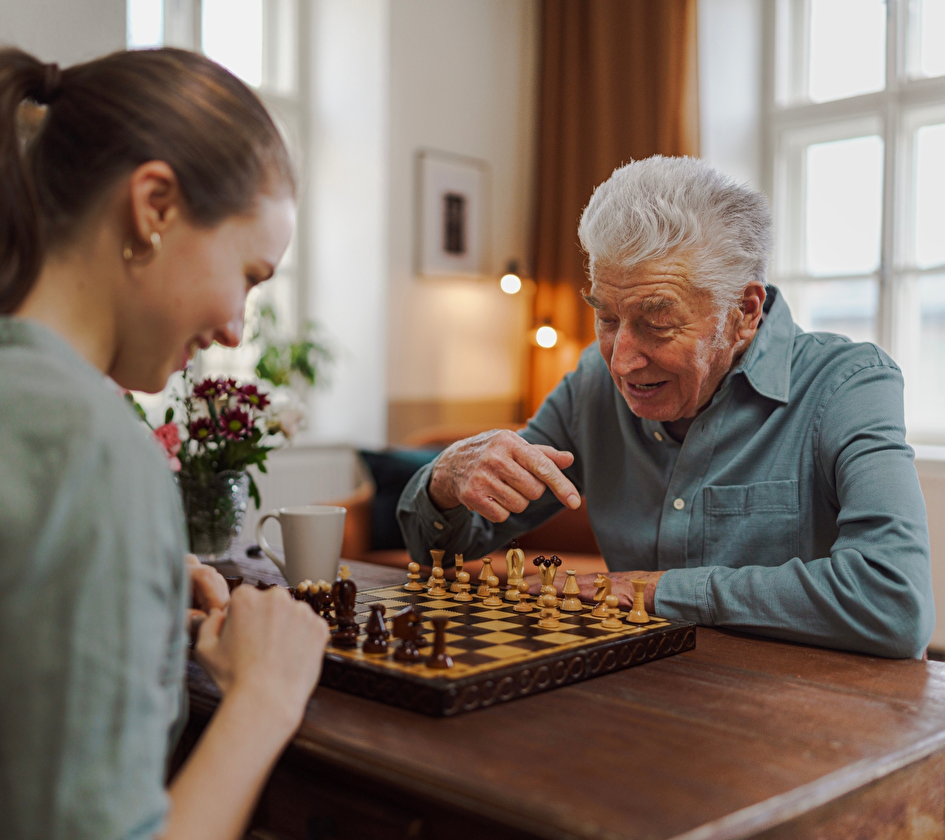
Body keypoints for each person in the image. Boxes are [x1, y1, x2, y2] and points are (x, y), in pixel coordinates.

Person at [398, 155, 934, 659]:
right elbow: (443, 549)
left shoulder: (849, 384)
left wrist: (658, 591)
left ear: (745, 312)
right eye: (607, 319)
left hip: (808, 713)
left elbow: (894, 600)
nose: (621, 362)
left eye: (657, 323)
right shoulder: (591, 385)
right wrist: (446, 480)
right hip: (638, 697)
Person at [0, 48, 329, 840]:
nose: (235, 329)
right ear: (154, 206)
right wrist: (267, 695)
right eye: (247, 276)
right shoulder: (94, 450)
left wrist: (124, 575)